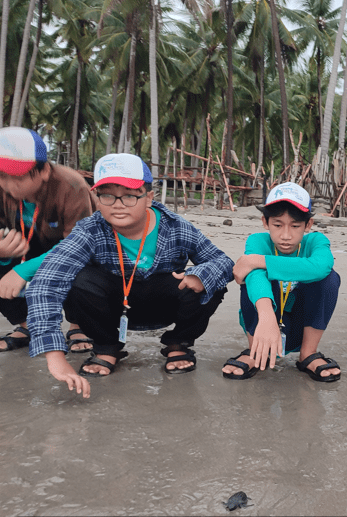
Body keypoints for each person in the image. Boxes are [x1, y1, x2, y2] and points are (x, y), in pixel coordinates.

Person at [25, 153, 234, 398]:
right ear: (97, 198)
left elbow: (224, 262)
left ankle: (179, 343)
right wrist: (54, 356)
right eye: (107, 195)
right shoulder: (89, 230)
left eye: (129, 195)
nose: (118, 204)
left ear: (148, 198)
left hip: (164, 303)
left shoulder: (177, 228)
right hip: (112, 307)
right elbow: (46, 281)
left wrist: (201, 275)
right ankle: (106, 346)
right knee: (76, 278)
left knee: (211, 282)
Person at [223, 182, 341, 381]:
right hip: (262, 322)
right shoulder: (258, 241)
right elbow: (254, 278)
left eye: (295, 226)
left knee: (329, 278)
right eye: (277, 225)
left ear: (308, 225)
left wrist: (258, 260)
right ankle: (255, 351)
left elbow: (321, 267)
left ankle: (308, 353)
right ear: (265, 222)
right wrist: (267, 316)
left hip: (302, 324)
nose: (286, 235)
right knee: (252, 277)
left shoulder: (316, 241)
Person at [0, 126, 95, 353]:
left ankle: (78, 325)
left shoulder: (72, 186)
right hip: (23, 244)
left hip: (72, 245)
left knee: (83, 269)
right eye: (2, 175)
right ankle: (26, 325)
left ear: (44, 170)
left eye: (19, 177)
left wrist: (24, 271)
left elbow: (79, 246)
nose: (10, 185)